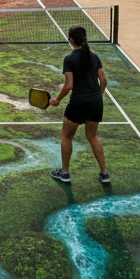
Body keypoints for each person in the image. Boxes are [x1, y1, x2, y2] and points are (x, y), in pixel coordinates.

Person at [49, 25, 109, 184]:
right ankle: (104, 174)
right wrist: (96, 97)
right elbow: (103, 81)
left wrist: (57, 100)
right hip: (95, 103)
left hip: (78, 103)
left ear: (70, 39)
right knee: (93, 137)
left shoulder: (69, 59)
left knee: (67, 136)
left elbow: (69, 85)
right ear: (84, 39)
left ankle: (65, 173)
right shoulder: (94, 57)